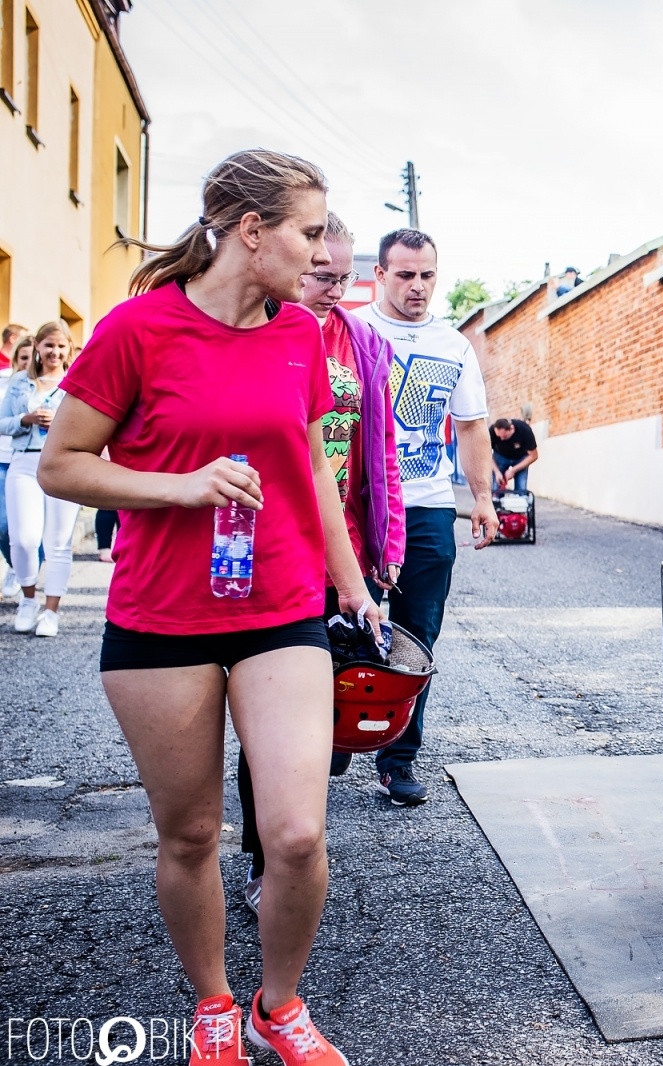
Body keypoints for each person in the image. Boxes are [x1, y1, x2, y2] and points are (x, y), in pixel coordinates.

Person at [38, 148, 366, 1066]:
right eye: (307, 232)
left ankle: (280, 1003)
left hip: (281, 608)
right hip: (161, 618)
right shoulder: (136, 330)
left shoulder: (300, 335)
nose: (322, 253)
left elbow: (312, 469)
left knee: (296, 835)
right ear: (252, 232)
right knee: (189, 834)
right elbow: (60, 466)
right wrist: (179, 487)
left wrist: (350, 583)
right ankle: (215, 1002)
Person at [236, 210, 407, 912]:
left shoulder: (363, 342)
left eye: (343, 277)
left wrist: (383, 550)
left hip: (341, 549)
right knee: (268, 718)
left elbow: (379, 453)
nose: (332, 289)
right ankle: (263, 860)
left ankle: (293, 844)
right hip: (266, 550)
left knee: (326, 728)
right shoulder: (257, 329)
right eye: (319, 274)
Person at [356, 228, 497, 806]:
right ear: (381, 276)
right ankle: (332, 742)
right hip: (357, 508)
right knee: (342, 628)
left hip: (429, 507)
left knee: (418, 638)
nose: (417, 286)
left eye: (427, 275)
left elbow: (470, 427)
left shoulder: (453, 344)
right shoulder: (352, 330)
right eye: (405, 274)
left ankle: (398, 758)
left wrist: (482, 498)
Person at [1, 321, 82, 636]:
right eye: (49, 345)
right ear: (37, 347)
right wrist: (26, 418)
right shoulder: (20, 382)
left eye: (61, 346)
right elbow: (2, 422)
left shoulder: (75, 382)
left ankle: (51, 612)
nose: (55, 352)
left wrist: (58, 426)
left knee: (58, 542)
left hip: (63, 463)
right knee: (23, 539)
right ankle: (28, 599)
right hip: (24, 462)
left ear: (69, 349)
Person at [0, 335, 24, 598]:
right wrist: (23, 420)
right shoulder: (5, 381)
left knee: (24, 530)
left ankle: (22, 570)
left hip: (23, 457)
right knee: (4, 525)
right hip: (3, 459)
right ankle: (15, 565)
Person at [490, 417, 537, 495]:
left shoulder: (524, 430)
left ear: (511, 429)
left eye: (504, 436)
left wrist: (513, 470)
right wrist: (497, 472)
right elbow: (486, 455)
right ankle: (496, 505)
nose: (501, 439)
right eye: (499, 437)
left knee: (521, 489)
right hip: (500, 456)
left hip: (520, 458)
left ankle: (520, 504)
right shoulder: (491, 431)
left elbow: (534, 456)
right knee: (496, 489)